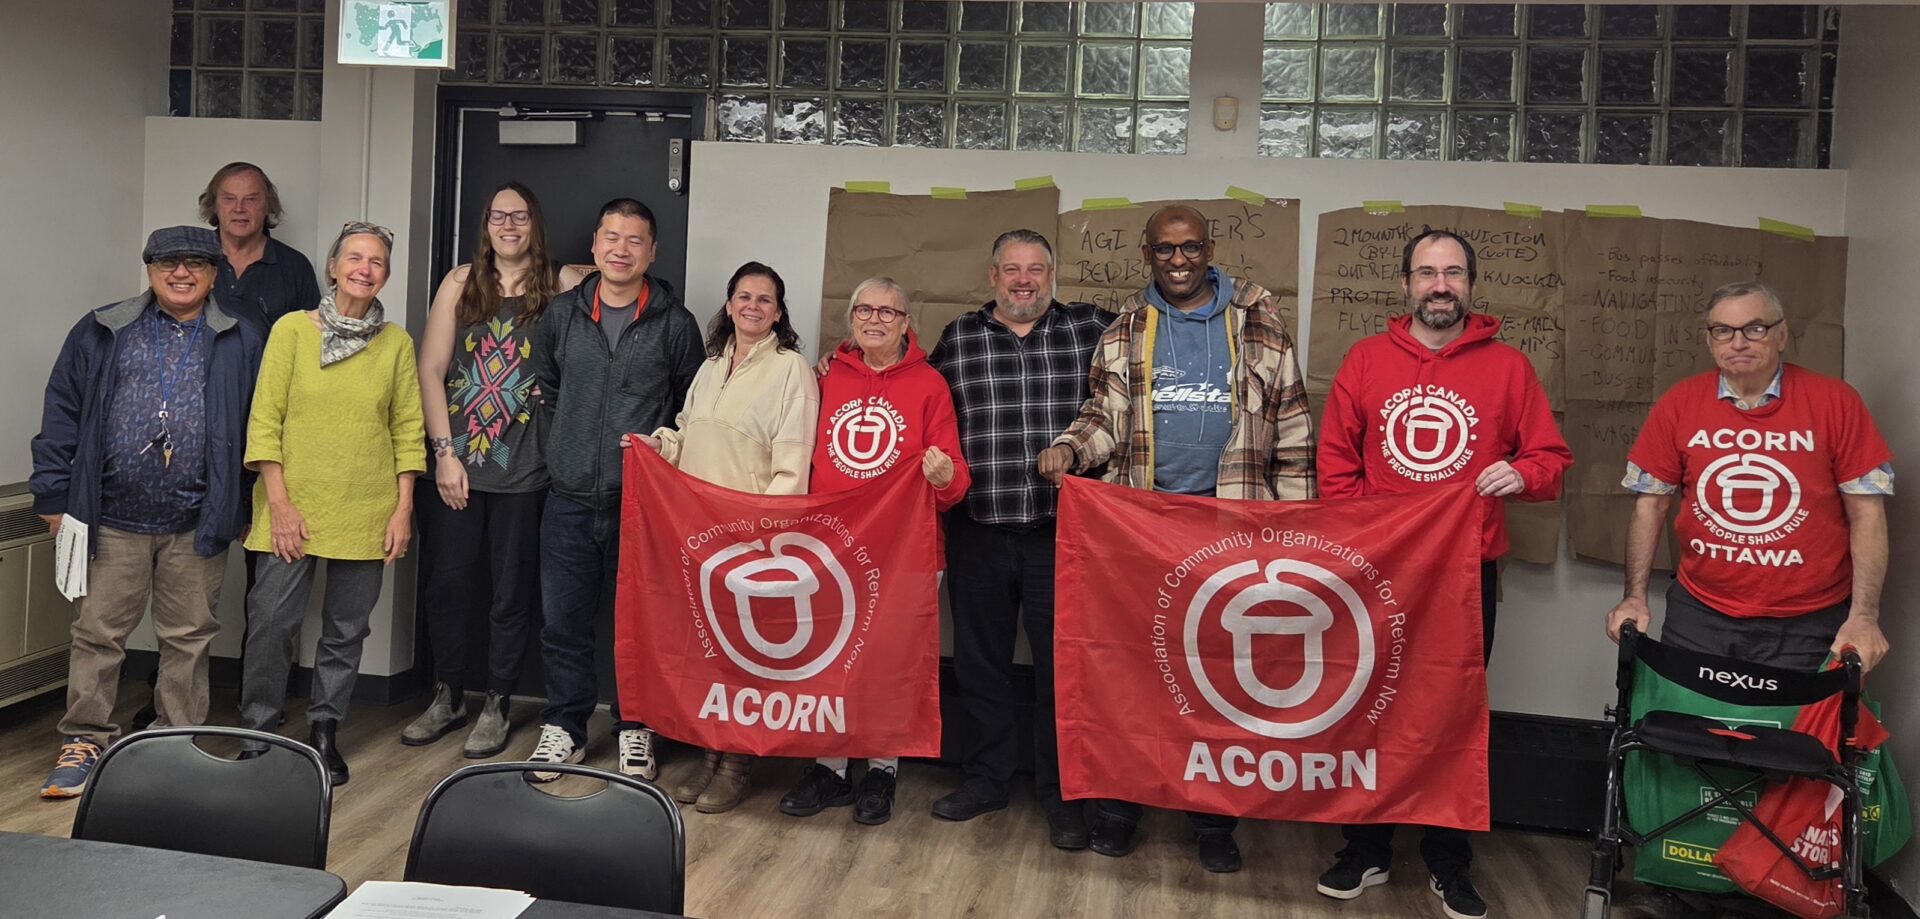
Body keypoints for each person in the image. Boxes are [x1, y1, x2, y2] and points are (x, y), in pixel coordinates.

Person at [1036, 204, 1316, 872]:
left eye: (1191, 247)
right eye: (1165, 249)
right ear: (1147, 255)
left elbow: (1293, 434)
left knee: (1218, 676)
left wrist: (1294, 533)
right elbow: (1104, 415)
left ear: (1210, 249)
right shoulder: (1126, 327)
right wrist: (1070, 449)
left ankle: (1213, 819)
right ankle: (1120, 807)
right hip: (1143, 532)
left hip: (1230, 531)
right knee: (1132, 672)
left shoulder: (1260, 325)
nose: (1179, 260)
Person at [1314, 228, 1572, 919]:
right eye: (1427, 272)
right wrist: (1363, 542)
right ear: (1405, 284)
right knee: (1368, 705)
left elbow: (1550, 461)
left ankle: (1448, 858)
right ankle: (1365, 847)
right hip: (1378, 573)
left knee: (1452, 715)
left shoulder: (1509, 368)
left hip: (1464, 577)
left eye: (1453, 273)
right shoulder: (1366, 361)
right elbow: (1335, 467)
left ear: (1470, 285)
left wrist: (1520, 473)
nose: (1439, 285)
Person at [31, 226, 263, 798]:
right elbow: (61, 411)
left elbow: (261, 426)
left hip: (198, 520)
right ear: (150, 269)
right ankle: (84, 741)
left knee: (189, 638)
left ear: (214, 274)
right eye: (167, 263)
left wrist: (244, 503)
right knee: (97, 635)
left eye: (194, 263)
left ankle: (173, 744)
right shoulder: (101, 329)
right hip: (109, 516)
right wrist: (54, 497)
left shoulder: (241, 337)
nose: (180, 273)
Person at [926, 229, 1112, 851]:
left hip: (1062, 533)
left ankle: (1064, 797)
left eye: (1035, 269)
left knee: (1064, 671)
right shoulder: (958, 337)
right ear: (993, 277)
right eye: (1012, 269)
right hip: (977, 528)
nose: (1024, 280)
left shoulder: (1092, 329)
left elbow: (1134, 383)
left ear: (1052, 275)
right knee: (981, 664)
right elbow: (912, 396)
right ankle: (986, 780)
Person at [1607, 280, 1892, 673]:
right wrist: (1633, 597)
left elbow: (1867, 514)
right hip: (1700, 614)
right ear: (1710, 340)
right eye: (1723, 330)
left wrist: (1864, 616)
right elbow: (1650, 506)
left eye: (1754, 328)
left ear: (1781, 335)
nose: (1738, 342)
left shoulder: (1836, 402)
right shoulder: (1679, 403)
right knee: (1688, 713)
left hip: (1809, 620)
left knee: (1797, 715)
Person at [237, 222, 427, 786]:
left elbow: (407, 428)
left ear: (386, 275)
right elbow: (264, 420)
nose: (365, 269)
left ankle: (325, 729)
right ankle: (258, 731)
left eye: (377, 262)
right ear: (333, 267)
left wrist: (403, 509)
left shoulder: (396, 344)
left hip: (367, 506)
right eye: (355, 258)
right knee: (271, 622)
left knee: (346, 630)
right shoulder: (292, 330)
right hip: (291, 503)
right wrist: (279, 504)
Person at [778, 276, 970, 826]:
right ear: (851, 318)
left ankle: (882, 770)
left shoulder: (930, 385)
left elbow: (956, 484)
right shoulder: (825, 376)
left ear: (907, 323)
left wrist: (944, 476)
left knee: (890, 663)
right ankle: (830, 769)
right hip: (831, 549)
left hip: (905, 553)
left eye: (888, 312)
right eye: (864, 310)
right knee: (826, 659)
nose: (875, 320)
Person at [402, 183, 585, 758]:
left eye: (520, 216)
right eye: (498, 215)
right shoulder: (460, 283)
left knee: (511, 593)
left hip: (527, 469)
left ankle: (498, 702)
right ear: (485, 224)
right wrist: (444, 453)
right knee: (447, 586)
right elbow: (430, 371)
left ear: (536, 223)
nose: (509, 225)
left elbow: (618, 289)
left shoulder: (561, 283)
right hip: (457, 467)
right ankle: (449, 695)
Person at [635, 261, 820, 814]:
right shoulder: (711, 366)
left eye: (765, 300)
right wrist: (657, 447)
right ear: (729, 304)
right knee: (707, 650)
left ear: (779, 313)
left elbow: (793, 463)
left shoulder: (791, 370)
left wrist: (765, 535)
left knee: (745, 655)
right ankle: (710, 752)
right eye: (744, 296)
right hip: (699, 534)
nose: (753, 306)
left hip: (751, 539)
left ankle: (738, 762)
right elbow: (688, 433)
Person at [529, 198, 703, 781]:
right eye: (611, 237)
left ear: (652, 252)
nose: (621, 249)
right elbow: (549, 388)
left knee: (641, 628)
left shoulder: (675, 325)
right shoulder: (562, 314)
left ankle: (636, 729)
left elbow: (689, 409)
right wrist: (572, 448)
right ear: (595, 244)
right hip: (568, 499)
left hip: (642, 506)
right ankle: (566, 727)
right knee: (563, 624)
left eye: (634, 240)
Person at [200, 162, 322, 340]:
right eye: (229, 199)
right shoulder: (192, 259)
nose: (239, 208)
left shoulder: (295, 266)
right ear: (214, 206)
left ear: (267, 206)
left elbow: (311, 338)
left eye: (251, 199)